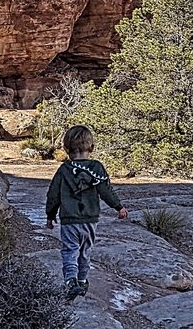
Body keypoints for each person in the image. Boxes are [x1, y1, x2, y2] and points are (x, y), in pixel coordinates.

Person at [45, 125, 128, 300]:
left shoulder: (64, 170)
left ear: (66, 149)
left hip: (69, 220)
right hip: (90, 220)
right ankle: (82, 281)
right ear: (91, 147)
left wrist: (50, 215)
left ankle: (71, 281)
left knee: (70, 251)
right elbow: (106, 190)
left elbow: (53, 194)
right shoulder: (96, 168)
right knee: (85, 251)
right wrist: (118, 206)